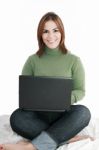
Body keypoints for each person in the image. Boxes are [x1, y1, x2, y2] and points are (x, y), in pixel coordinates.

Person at [0, 12, 94, 150]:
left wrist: (64, 99)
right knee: (16, 118)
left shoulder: (74, 61)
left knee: (84, 113)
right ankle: (67, 138)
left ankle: (30, 146)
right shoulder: (32, 60)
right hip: (38, 117)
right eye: (45, 31)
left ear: (61, 32)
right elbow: (26, 92)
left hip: (63, 116)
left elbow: (80, 90)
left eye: (55, 30)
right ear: (40, 35)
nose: (51, 36)